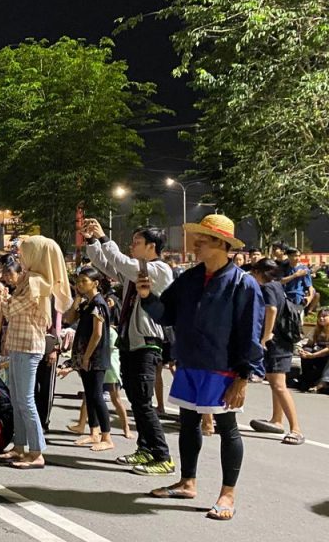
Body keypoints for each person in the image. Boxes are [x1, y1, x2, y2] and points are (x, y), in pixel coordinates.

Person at [138, 214, 263, 521]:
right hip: (189, 361)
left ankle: (227, 494)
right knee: (188, 422)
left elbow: (250, 333)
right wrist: (146, 297)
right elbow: (166, 314)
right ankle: (187, 481)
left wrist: (243, 377)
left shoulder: (242, 283)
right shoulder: (190, 278)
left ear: (222, 245)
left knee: (227, 428)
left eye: (203, 240)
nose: (195, 245)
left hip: (223, 368)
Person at [83, 219, 176, 476]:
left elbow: (124, 263)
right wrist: (92, 242)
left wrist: (104, 238)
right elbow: (107, 265)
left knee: (144, 403)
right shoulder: (135, 271)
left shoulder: (159, 270)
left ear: (152, 246)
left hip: (147, 343)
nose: (132, 246)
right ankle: (145, 449)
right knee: (137, 401)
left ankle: (163, 456)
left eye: (137, 243)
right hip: (130, 341)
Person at [0, 235, 73, 470]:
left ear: (36, 255)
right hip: (19, 344)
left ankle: (36, 452)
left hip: (27, 346)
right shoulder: (30, 279)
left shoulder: (36, 281)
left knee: (25, 400)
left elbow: (11, 309)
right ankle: (19, 446)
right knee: (17, 399)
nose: (20, 256)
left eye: (25, 252)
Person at [246, 258, 305, 445]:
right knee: (274, 382)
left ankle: (296, 429)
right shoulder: (277, 285)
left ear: (259, 272)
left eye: (254, 271)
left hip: (277, 342)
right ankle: (277, 420)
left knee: (279, 385)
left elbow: (271, 310)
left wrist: (266, 335)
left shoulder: (268, 287)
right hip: (282, 341)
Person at [65, 267, 114, 451]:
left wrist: (86, 357)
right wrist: (77, 298)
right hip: (84, 356)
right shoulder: (87, 303)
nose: (80, 284)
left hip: (95, 356)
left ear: (95, 283)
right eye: (78, 281)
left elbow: (97, 334)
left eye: (84, 281)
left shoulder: (98, 304)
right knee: (89, 395)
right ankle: (93, 432)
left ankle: (106, 437)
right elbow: (69, 318)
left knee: (97, 396)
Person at [281, 247, 315, 312]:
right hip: (284, 296)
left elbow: (310, 286)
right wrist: (295, 275)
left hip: (298, 296)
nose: (298, 258)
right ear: (289, 256)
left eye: (299, 256)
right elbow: (280, 281)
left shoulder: (304, 269)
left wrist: (310, 298)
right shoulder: (284, 268)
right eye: (295, 256)